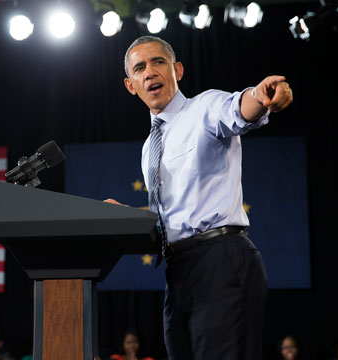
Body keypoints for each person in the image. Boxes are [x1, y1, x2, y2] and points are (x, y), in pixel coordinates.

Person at [105, 35, 293, 360]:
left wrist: (261, 96)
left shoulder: (204, 108)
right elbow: (169, 217)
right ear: (130, 85)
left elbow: (239, 108)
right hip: (178, 272)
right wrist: (126, 218)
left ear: (177, 69)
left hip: (220, 260)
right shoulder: (150, 147)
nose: (150, 72)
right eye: (140, 67)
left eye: (158, 62)